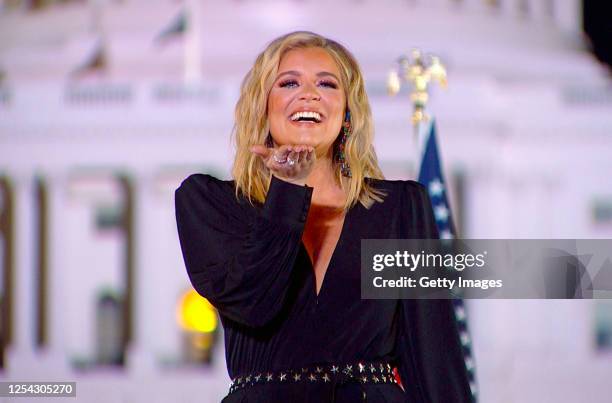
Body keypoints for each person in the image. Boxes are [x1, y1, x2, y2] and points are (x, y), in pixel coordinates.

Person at [175, 31, 472, 403]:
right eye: (289, 82)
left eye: (327, 84)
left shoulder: (400, 209)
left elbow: (434, 355)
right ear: (263, 106)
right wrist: (287, 191)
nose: (309, 93)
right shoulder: (211, 202)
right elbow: (254, 304)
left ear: (347, 111)